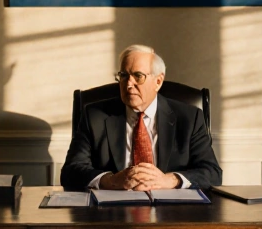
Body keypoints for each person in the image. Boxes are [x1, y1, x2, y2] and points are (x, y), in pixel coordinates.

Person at [61, 45, 222, 191]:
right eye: (124, 75)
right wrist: (111, 180)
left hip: (170, 209)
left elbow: (212, 173)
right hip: (112, 208)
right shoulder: (94, 116)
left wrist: (169, 180)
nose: (128, 84)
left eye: (138, 76)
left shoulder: (189, 118)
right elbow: (70, 172)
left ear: (158, 81)